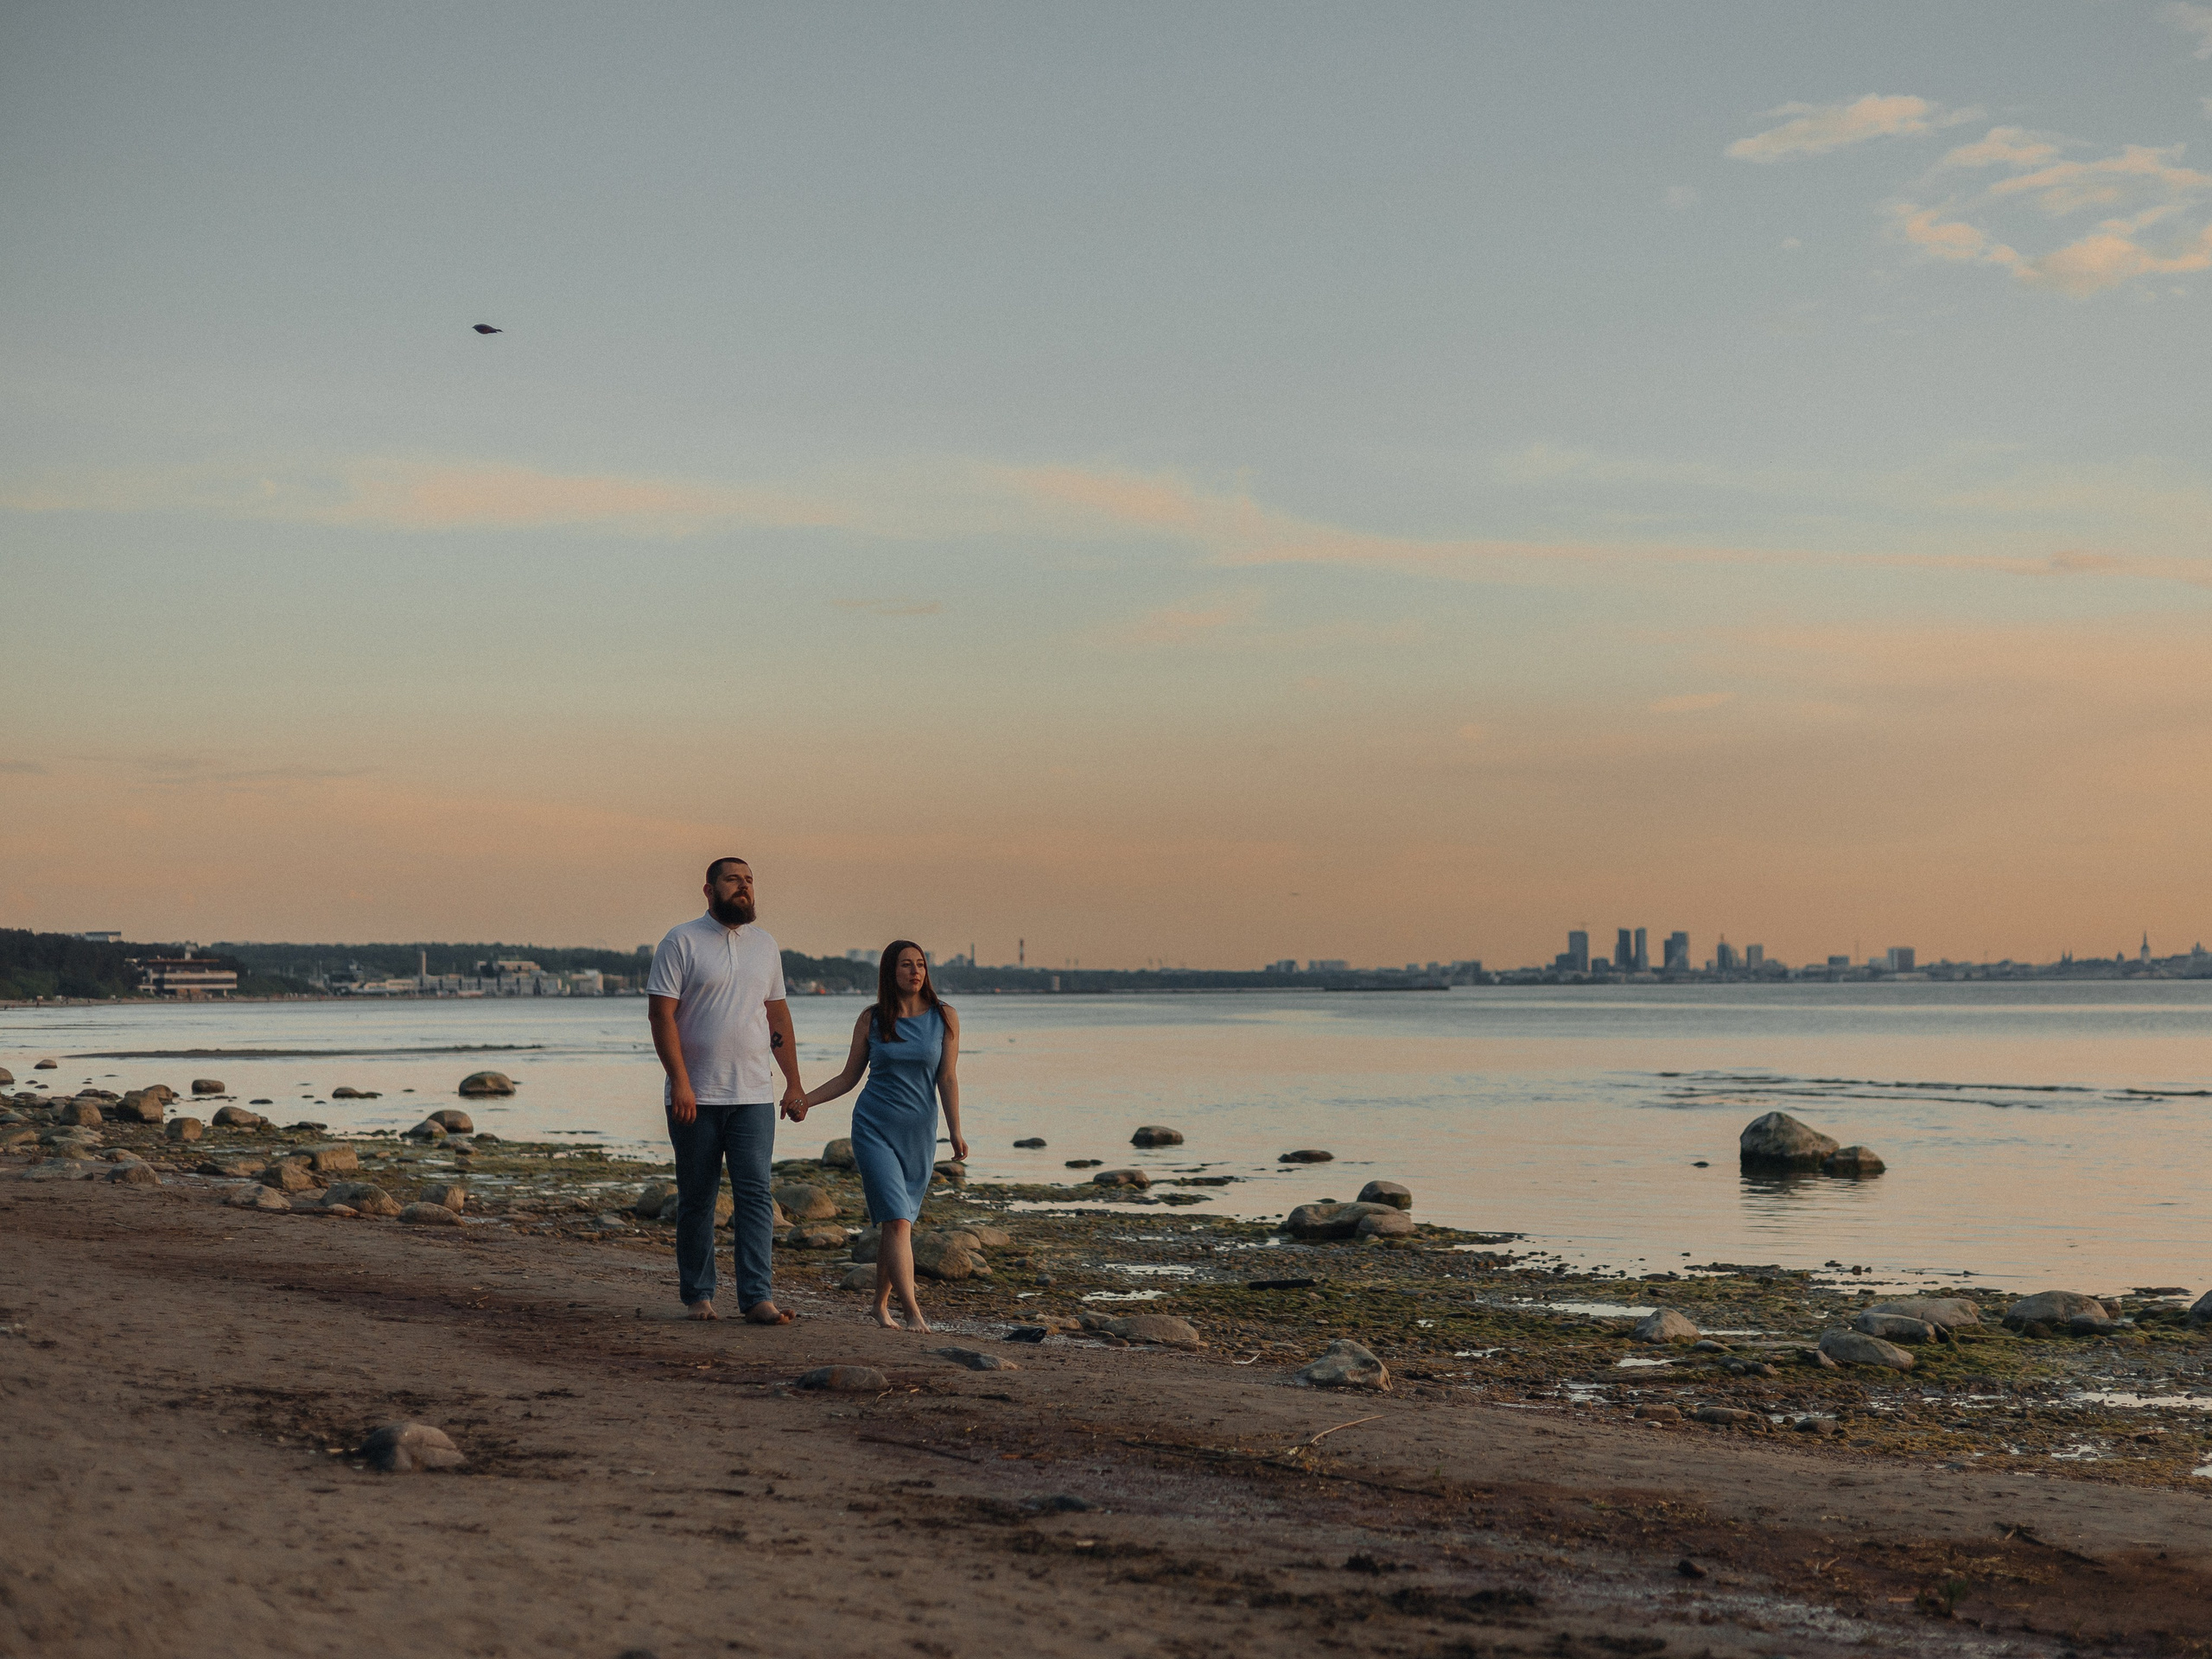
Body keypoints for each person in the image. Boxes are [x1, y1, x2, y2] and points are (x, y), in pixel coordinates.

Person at [646, 856, 808, 1324]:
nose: (745, 887)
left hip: (755, 1094)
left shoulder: (765, 945)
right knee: (697, 1197)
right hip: (695, 1095)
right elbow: (662, 1017)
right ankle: (698, 1296)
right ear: (709, 889)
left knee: (756, 1195)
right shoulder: (681, 941)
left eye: (750, 880)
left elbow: (777, 1018)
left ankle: (757, 1298)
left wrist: (793, 1082)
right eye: (734, 879)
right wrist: (680, 1082)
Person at [799, 940, 965, 1330]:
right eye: (906, 965)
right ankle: (913, 1312)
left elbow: (947, 1077)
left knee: (900, 1221)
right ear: (891, 972)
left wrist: (956, 1130)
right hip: (874, 1128)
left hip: (920, 1133)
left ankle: (879, 1305)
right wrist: (807, 1100)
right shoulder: (872, 1019)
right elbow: (848, 1077)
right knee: (897, 1221)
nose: (915, 971)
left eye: (921, 964)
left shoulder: (945, 1017)